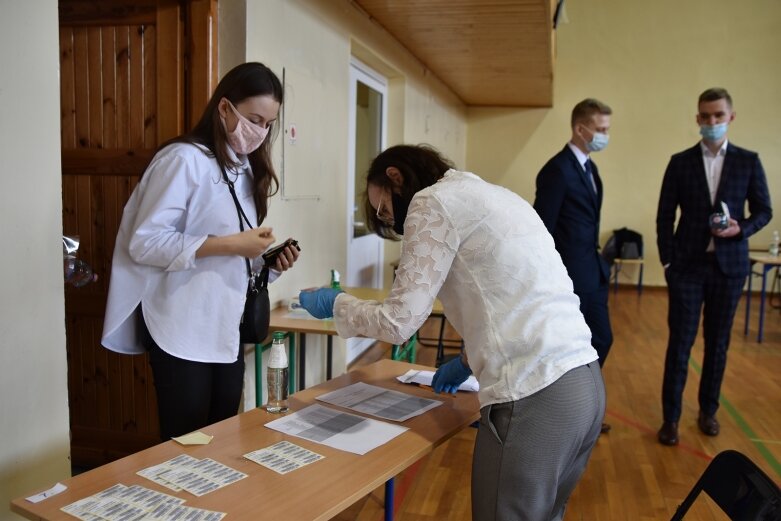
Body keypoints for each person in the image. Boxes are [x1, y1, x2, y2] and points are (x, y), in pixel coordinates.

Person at [299, 144, 605, 521]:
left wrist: (336, 304)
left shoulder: (430, 202)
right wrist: (466, 361)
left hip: (534, 393)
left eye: (384, 209)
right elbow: (514, 298)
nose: (392, 222)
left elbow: (399, 322)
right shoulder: (494, 195)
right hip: (584, 385)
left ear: (395, 177)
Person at [101, 62, 300, 440]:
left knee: (222, 440)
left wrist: (269, 264)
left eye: (268, 124)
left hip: (224, 328)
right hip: (180, 326)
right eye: (254, 119)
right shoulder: (182, 160)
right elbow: (145, 242)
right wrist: (231, 245)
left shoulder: (242, 169)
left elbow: (235, 257)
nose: (260, 133)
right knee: (185, 446)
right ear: (224, 108)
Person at [656, 87, 772, 446]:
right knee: (680, 345)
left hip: (729, 268)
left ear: (730, 118)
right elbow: (664, 215)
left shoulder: (748, 161)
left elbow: (764, 211)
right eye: (705, 116)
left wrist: (742, 229)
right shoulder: (680, 162)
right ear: (697, 119)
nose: (711, 122)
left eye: (718, 116)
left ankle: (708, 410)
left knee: (717, 345)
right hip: (687, 268)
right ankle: (670, 418)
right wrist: (668, 260)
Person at [533, 98, 614, 433]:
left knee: (598, 341)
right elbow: (543, 229)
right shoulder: (557, 170)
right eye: (601, 129)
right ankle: (570, 411)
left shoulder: (589, 168)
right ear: (580, 129)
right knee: (589, 340)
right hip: (568, 278)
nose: (606, 135)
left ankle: (579, 409)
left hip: (591, 271)